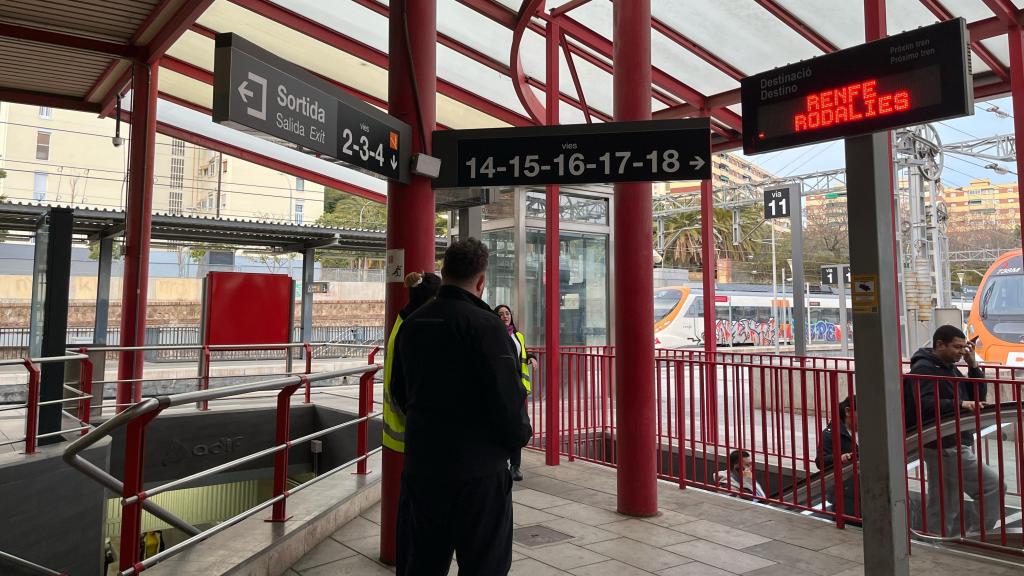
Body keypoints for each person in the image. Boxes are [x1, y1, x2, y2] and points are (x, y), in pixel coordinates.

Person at [392, 237, 531, 576]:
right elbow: (507, 402)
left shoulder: (413, 324)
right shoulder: (487, 326)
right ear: (481, 281)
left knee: (422, 561)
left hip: (423, 466)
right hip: (479, 473)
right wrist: (516, 439)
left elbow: (398, 391)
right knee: (484, 564)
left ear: (444, 271)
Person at [905, 324, 1003, 537]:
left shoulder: (947, 367)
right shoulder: (925, 369)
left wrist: (973, 365)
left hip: (947, 442)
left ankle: (937, 537)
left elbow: (977, 396)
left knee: (944, 499)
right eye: (957, 347)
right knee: (992, 487)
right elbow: (926, 403)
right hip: (945, 443)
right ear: (940, 344)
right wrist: (960, 405)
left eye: (963, 348)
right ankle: (979, 535)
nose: (962, 352)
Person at [383, 271, 442, 454]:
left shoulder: (402, 321)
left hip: (401, 425)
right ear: (432, 299)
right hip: (414, 425)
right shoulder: (416, 329)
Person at [494, 304, 538, 482]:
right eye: (501, 314)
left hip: (518, 388)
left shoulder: (518, 335)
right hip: (501, 387)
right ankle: (501, 462)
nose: (505, 316)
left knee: (518, 425)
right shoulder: (495, 335)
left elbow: (522, 354)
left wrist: (532, 357)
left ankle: (516, 465)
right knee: (502, 425)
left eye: (507, 313)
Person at [815, 395, 859, 516]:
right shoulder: (830, 434)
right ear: (848, 412)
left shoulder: (863, 432)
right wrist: (840, 458)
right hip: (844, 494)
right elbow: (820, 461)